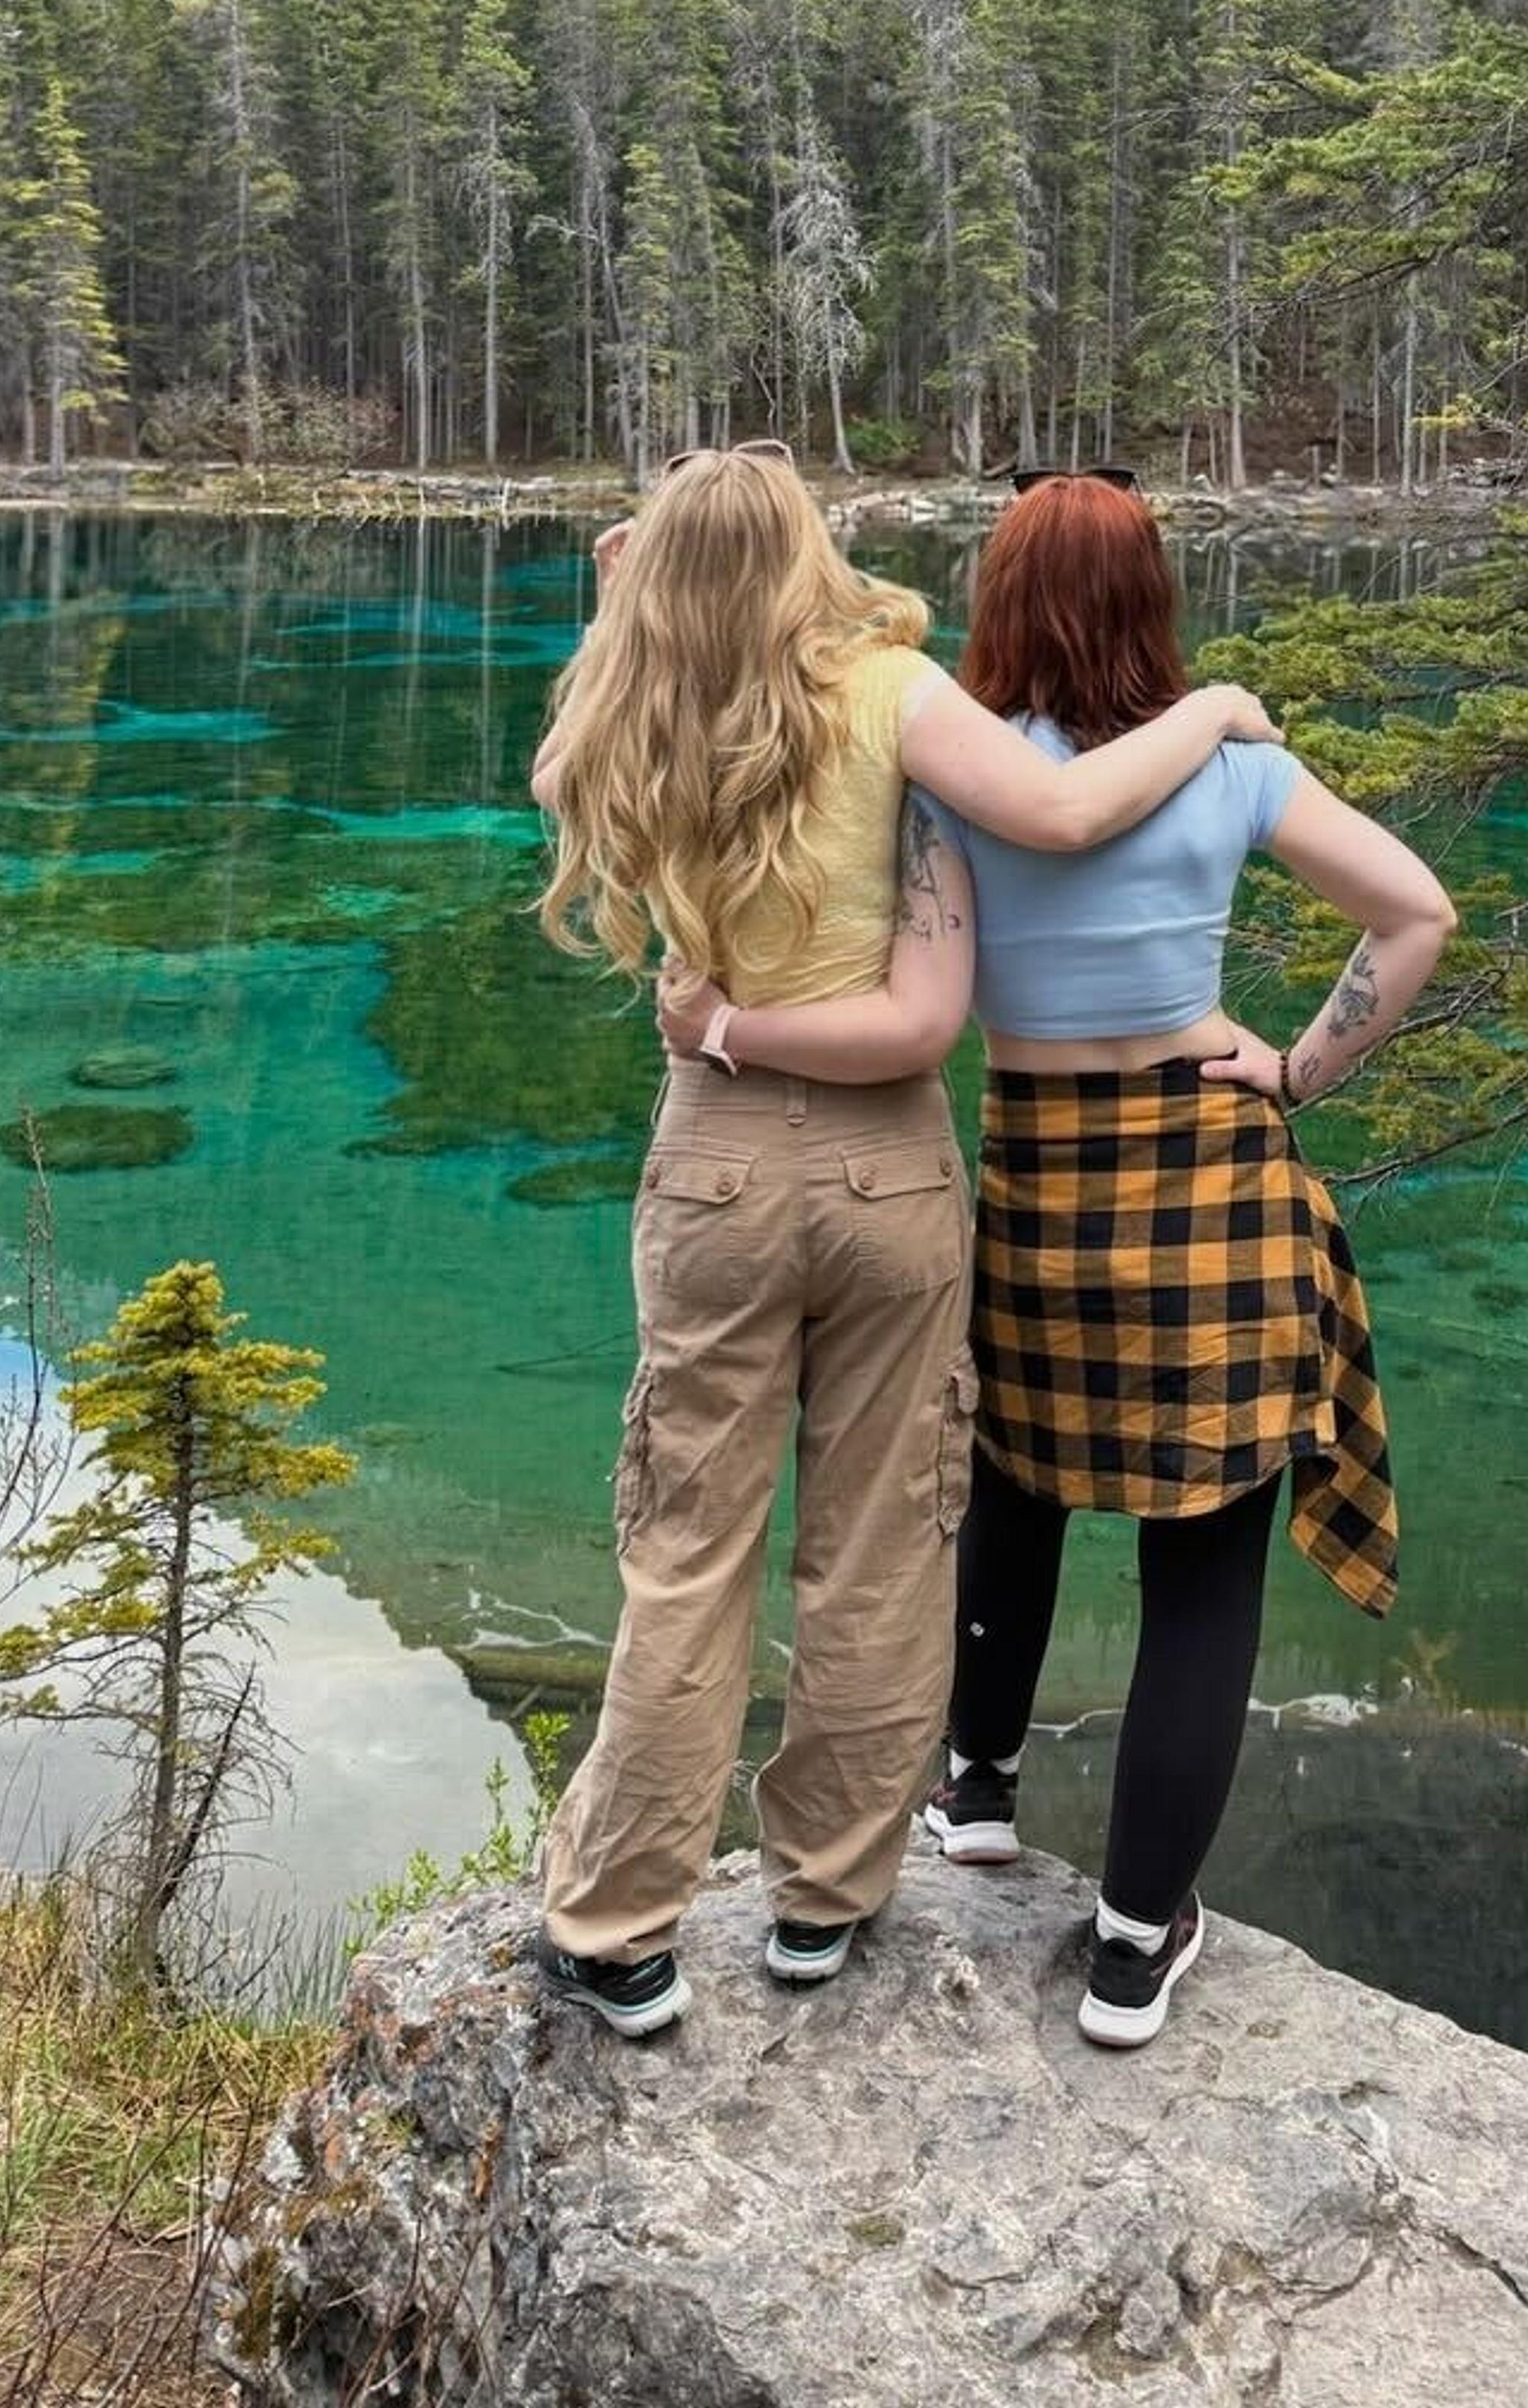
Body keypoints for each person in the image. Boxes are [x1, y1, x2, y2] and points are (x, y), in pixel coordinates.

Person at [660, 469, 1451, 2048]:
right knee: (1199, 1574)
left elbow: (902, 966)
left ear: (1001, 602)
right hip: (1211, 1175)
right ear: (1155, 605)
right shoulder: (1234, 767)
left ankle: (978, 1792)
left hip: (1035, 1177)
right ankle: (1134, 1947)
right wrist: (1298, 1068)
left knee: (1014, 1484)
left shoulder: (947, 771)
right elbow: (1416, 914)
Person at [527, 441, 1280, 2039]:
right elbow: (1064, 805)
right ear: (809, 547)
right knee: (879, 1543)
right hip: (889, 1176)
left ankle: (622, 1928)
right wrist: (1215, 708)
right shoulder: (889, 693)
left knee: (688, 1550)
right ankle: (823, 1900)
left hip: (718, 1163)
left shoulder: (635, 700)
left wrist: (635, 596)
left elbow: (596, 690)